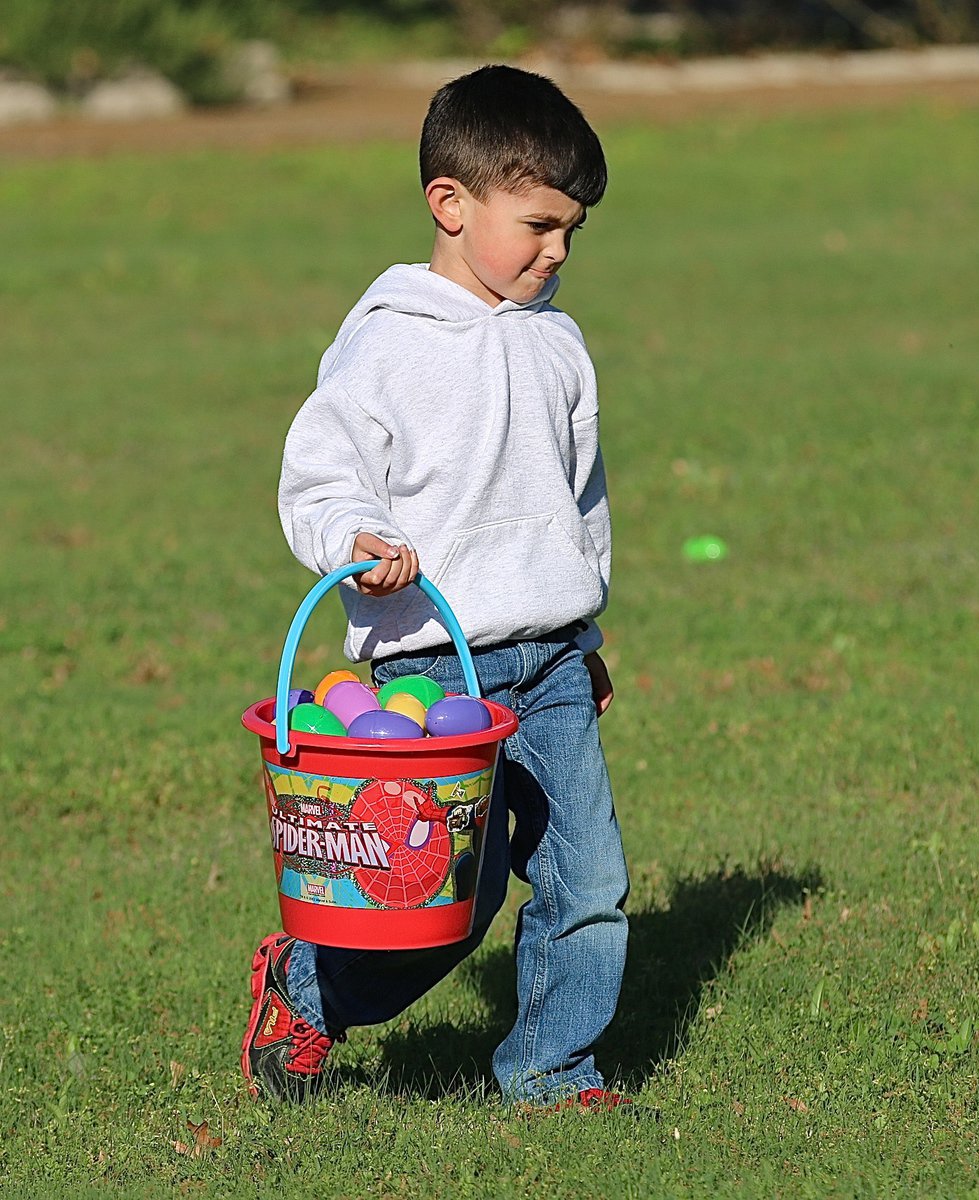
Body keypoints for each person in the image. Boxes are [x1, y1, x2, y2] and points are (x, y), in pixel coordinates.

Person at [241, 64, 630, 1111]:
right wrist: (355, 538)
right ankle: (311, 989)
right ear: (450, 205)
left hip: (545, 662)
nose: (555, 251)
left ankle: (553, 1073)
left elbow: (578, 498)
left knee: (588, 882)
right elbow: (321, 474)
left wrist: (583, 630)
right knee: (451, 898)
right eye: (539, 224)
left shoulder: (560, 345)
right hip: (426, 669)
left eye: (572, 233)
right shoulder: (386, 344)